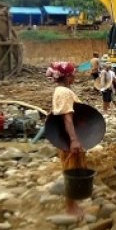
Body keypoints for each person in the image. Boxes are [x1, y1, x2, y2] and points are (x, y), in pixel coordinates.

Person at [46, 62, 86, 218]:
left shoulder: (60, 90)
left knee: (72, 168)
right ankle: (71, 207)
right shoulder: (64, 92)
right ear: (68, 77)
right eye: (73, 74)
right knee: (71, 170)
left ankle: (73, 201)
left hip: (65, 137)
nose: (75, 76)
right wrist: (74, 140)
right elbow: (67, 117)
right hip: (69, 139)